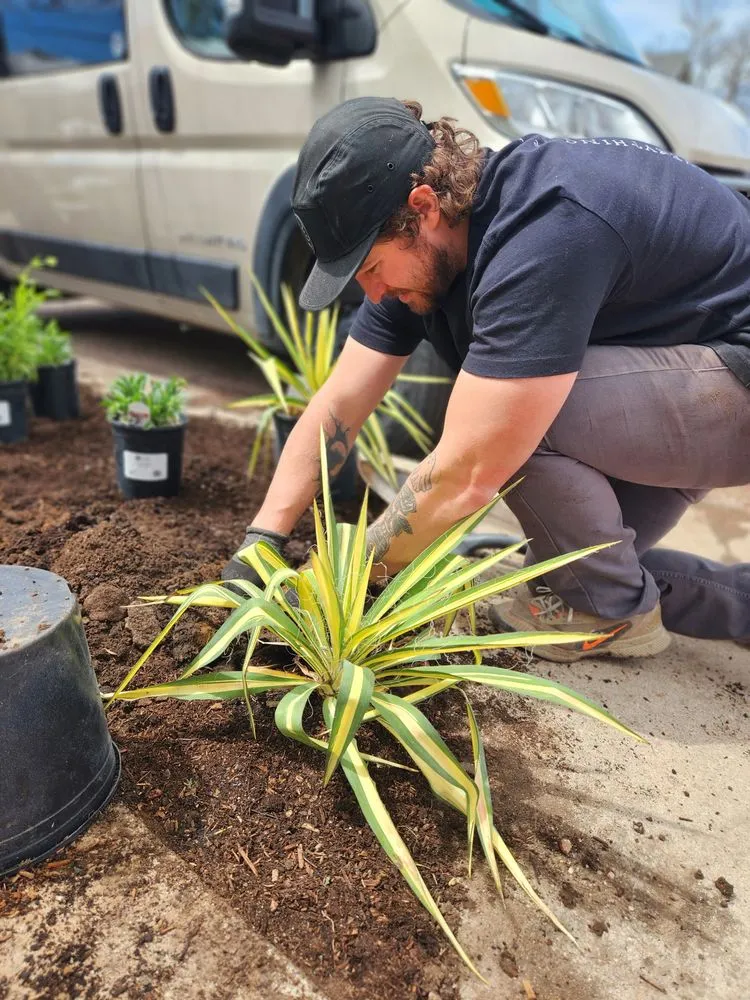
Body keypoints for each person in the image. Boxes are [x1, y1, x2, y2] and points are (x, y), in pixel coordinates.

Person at [223, 96, 750, 661]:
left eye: (370, 268)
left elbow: (468, 470)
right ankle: (654, 602)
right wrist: (262, 544)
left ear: (422, 206)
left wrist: (334, 584)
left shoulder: (546, 229)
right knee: (578, 577)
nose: (370, 294)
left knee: (507, 425)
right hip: (676, 377)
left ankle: (615, 612)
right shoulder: (423, 248)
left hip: (730, 381)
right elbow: (339, 405)